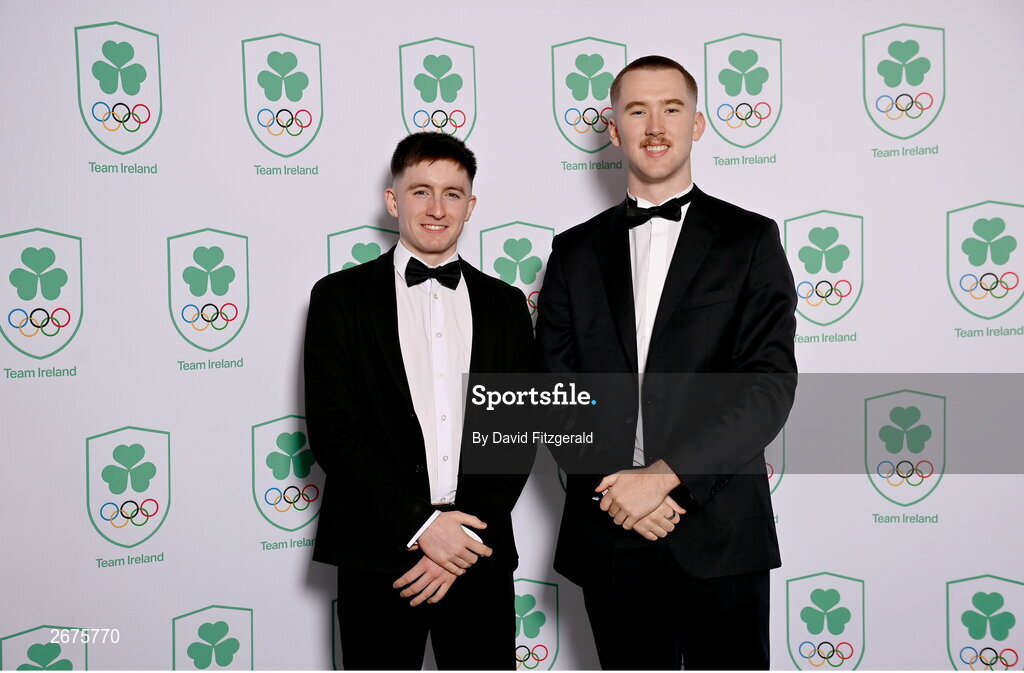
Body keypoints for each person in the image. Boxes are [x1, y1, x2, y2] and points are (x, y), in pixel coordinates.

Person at [535, 55, 797, 669]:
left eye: (671, 109)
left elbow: (766, 387)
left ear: (698, 124)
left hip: (721, 532)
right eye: (637, 110)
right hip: (609, 532)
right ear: (613, 127)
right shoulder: (571, 252)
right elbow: (554, 386)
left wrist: (662, 478)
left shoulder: (751, 240)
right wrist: (620, 490)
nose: (655, 125)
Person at [304, 132, 535, 670]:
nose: (436, 209)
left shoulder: (505, 305)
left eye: (453, 194)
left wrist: (458, 542)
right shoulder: (338, 299)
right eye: (421, 192)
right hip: (376, 553)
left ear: (471, 205)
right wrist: (425, 528)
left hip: (477, 552)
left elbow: (516, 435)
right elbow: (335, 434)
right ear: (393, 200)